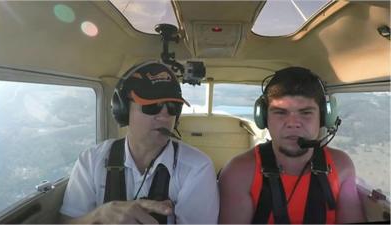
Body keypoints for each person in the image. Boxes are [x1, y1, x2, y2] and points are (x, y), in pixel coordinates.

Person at [60, 61, 219, 224]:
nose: (165, 116)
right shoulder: (91, 160)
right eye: (151, 106)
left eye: (173, 107)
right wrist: (97, 217)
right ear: (122, 110)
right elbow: (67, 222)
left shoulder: (197, 167)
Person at [218, 67, 365, 224]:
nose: (293, 124)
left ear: (323, 118)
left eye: (306, 113)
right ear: (264, 118)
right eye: (280, 112)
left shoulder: (341, 166)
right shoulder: (240, 172)